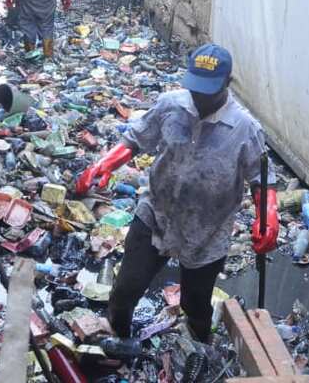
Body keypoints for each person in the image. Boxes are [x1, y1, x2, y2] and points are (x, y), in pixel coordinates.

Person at [75, 44, 279, 343]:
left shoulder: (245, 129)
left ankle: (199, 344)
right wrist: (105, 164)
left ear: (227, 83)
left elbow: (262, 180)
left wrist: (269, 217)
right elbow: (136, 138)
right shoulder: (171, 105)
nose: (200, 97)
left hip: (206, 231)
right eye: (196, 88)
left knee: (195, 304)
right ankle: (118, 342)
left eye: (208, 90)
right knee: (125, 290)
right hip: (157, 213)